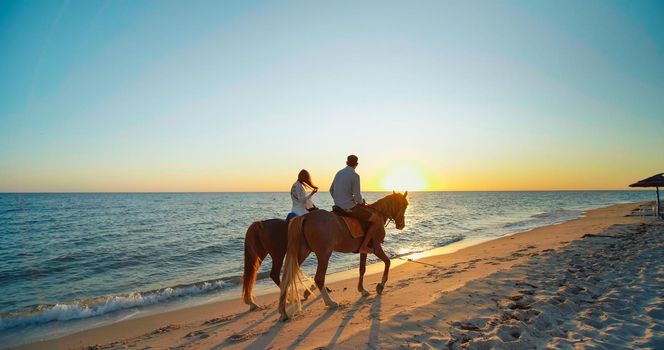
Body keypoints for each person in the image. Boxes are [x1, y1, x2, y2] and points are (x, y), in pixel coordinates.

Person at [329, 155, 384, 254]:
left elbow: (331, 190)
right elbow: (357, 196)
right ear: (356, 164)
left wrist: (338, 200)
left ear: (346, 162)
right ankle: (363, 246)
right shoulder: (355, 176)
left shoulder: (339, 173)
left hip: (337, 207)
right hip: (350, 208)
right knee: (376, 220)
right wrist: (361, 201)